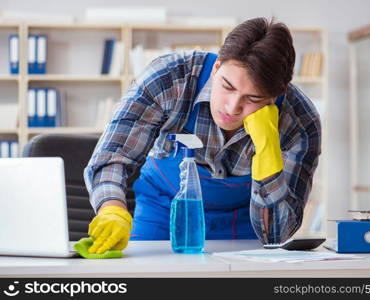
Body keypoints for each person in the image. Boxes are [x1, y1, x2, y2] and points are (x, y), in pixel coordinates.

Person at [84, 17, 321, 254]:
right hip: (163, 210)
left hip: (245, 223)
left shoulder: (299, 121)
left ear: (276, 95)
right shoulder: (169, 79)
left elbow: (278, 234)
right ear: (217, 67)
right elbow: (113, 157)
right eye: (227, 87)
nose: (232, 108)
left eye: (253, 99)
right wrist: (112, 209)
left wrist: (268, 150)